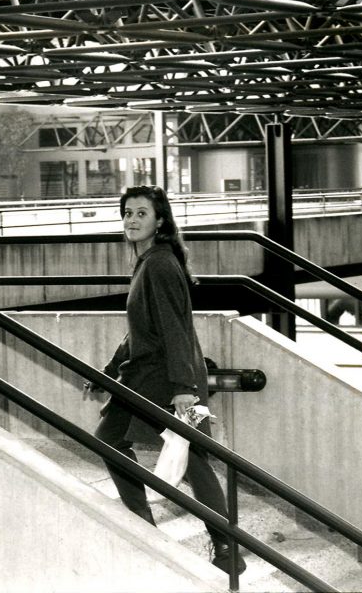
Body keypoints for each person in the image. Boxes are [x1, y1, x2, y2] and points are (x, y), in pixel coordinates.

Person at [84, 185, 246, 576]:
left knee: (182, 455)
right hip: (145, 374)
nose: (132, 220)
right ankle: (218, 544)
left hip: (161, 377)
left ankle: (217, 543)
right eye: (127, 213)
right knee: (166, 451)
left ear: (160, 221)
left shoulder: (158, 264)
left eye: (142, 213)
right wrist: (108, 371)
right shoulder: (150, 261)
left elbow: (175, 329)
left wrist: (184, 390)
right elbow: (141, 330)